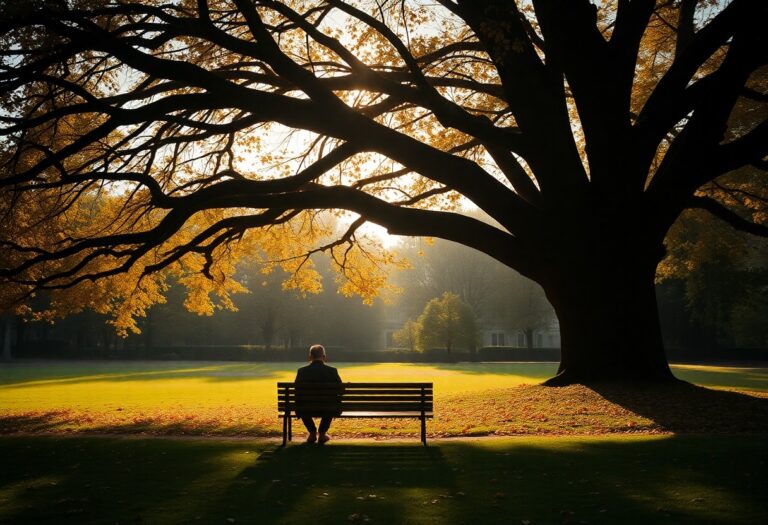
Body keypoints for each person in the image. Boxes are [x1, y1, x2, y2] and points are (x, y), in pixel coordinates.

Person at [294, 344, 342, 444]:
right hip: (327, 407)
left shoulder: (302, 371)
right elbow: (340, 390)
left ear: (310, 357)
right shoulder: (332, 371)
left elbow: (296, 390)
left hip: (307, 407)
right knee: (331, 404)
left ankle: (312, 433)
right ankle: (322, 433)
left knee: (302, 404)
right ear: (324, 357)